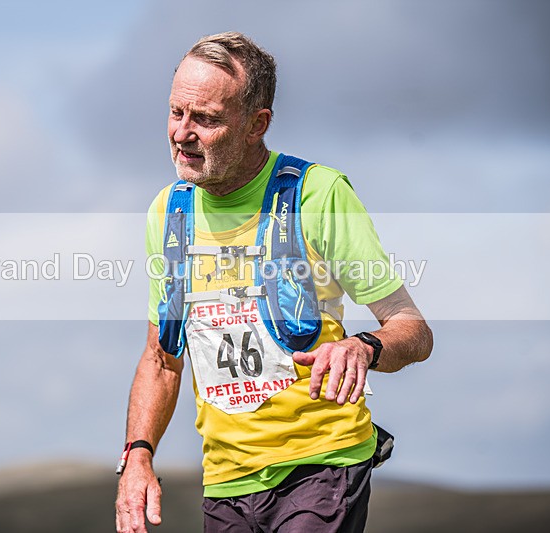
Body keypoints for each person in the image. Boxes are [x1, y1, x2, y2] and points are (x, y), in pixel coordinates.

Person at [115, 32, 433, 533]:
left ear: (255, 125)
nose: (182, 133)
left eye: (207, 119)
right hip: (226, 482)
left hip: (322, 464)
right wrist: (137, 457)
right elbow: (162, 357)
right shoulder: (168, 212)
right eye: (176, 113)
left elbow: (412, 330)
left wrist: (364, 346)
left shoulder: (318, 194)